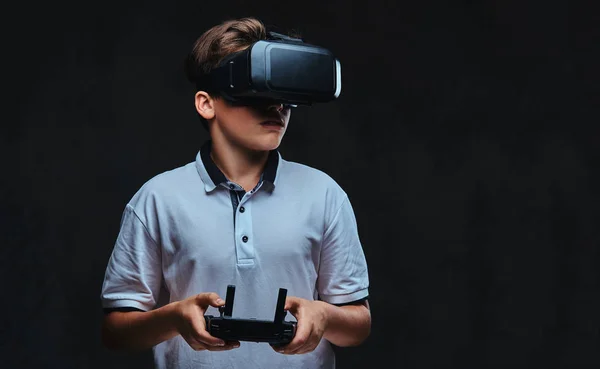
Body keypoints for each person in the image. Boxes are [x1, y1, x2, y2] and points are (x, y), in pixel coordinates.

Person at [100, 16, 371, 369]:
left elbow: (359, 324)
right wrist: (174, 318)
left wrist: (323, 316)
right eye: (256, 94)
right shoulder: (156, 199)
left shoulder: (325, 195)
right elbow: (115, 331)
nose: (276, 107)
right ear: (206, 103)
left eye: (284, 97)